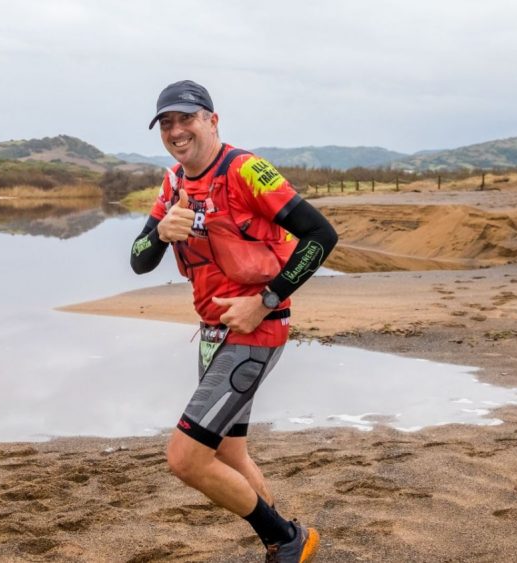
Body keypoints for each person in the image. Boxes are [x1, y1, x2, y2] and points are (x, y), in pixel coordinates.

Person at [130, 80, 338, 563]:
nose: (177, 130)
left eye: (187, 118)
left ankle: (287, 539)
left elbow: (320, 235)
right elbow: (139, 260)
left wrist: (265, 300)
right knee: (229, 454)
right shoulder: (173, 183)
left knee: (185, 458)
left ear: (212, 120)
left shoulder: (248, 171)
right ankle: (282, 542)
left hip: (254, 331)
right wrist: (160, 233)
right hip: (212, 334)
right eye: (167, 122)